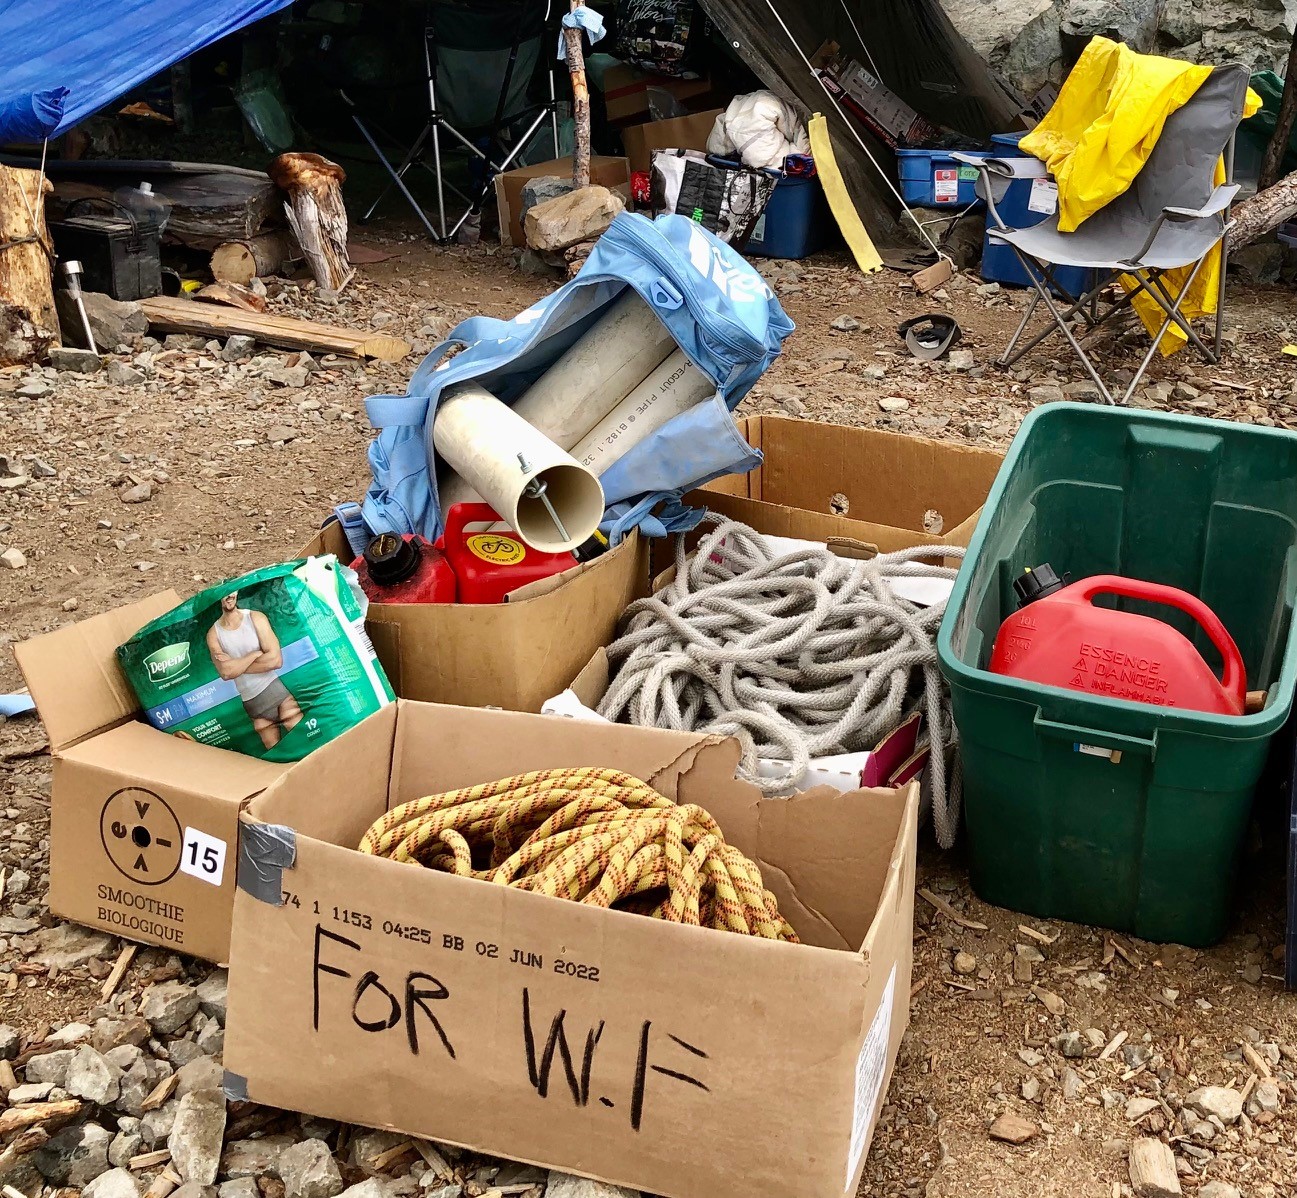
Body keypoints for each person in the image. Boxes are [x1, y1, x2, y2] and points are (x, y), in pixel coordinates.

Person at [206, 591, 303, 749]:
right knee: (275, 756)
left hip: (278, 694)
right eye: (224, 593)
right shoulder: (213, 634)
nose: (229, 596)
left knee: (304, 739)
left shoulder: (255, 618)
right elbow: (225, 672)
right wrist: (254, 655)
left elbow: (275, 660)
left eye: (232, 591)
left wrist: (236, 666)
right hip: (253, 705)